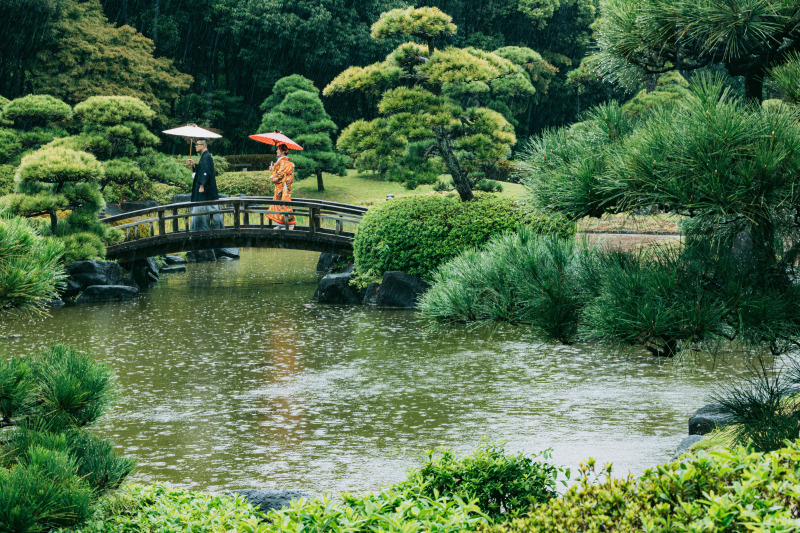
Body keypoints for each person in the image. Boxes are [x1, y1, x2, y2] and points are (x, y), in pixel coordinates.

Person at [188, 139, 223, 231]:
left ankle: (203, 230)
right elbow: (202, 169)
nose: (195, 146)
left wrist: (202, 185)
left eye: (197, 144)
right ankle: (205, 229)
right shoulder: (205, 156)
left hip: (206, 191)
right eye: (195, 145)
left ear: (203, 146)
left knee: (204, 209)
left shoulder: (206, 156)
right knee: (205, 209)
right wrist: (194, 165)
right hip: (206, 190)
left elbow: (206, 172)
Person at [266, 143, 296, 229]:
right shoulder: (283, 161)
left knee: (283, 205)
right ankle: (282, 224)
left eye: (278, 149)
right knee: (281, 205)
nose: (276, 151)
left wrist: (273, 175)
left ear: (283, 151)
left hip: (283, 188)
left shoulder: (283, 162)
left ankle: (289, 225)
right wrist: (273, 169)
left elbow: (280, 175)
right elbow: (279, 172)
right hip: (283, 187)